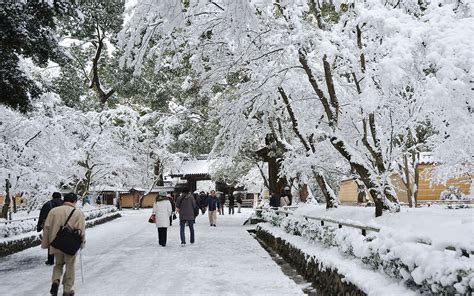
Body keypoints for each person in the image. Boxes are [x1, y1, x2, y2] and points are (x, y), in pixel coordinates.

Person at [41, 192, 86, 296]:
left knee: (58, 265)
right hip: (71, 245)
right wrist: (82, 244)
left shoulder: (53, 211)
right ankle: (67, 290)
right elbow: (81, 230)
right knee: (70, 266)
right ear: (74, 201)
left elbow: (46, 228)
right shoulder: (78, 213)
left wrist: (46, 244)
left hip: (56, 243)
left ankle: (55, 281)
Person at [37, 192, 64, 265]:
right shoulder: (64, 204)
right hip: (63, 225)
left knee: (51, 242)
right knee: (63, 241)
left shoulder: (48, 204)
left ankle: (50, 260)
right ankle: (62, 259)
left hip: (51, 225)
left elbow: (42, 216)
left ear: (52, 197)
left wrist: (39, 226)